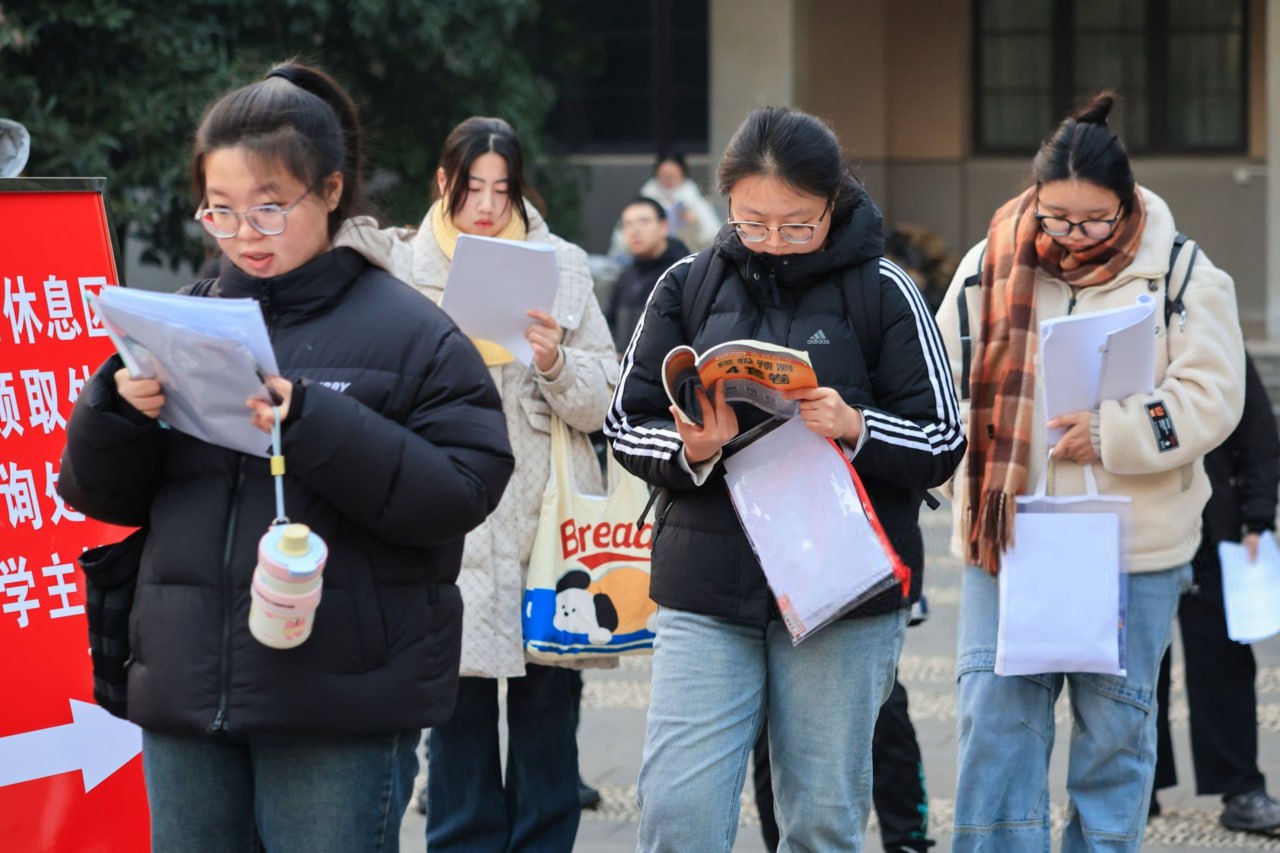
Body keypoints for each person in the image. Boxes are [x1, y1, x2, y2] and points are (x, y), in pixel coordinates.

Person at [56, 61, 514, 852]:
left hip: (336, 701)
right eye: (220, 211)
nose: (243, 236)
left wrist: (312, 421)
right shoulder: (186, 318)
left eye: (270, 209)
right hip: (190, 690)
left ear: (331, 191)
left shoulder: (412, 332)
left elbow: (462, 490)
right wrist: (115, 411)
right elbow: (99, 493)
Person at [606, 105, 966, 851]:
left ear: (833, 202)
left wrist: (855, 425)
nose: (773, 241)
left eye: (797, 224)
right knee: (678, 811)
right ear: (724, 202)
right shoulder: (686, 284)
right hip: (707, 582)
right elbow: (624, 423)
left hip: (841, 589)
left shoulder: (886, 289)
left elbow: (941, 437)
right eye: (752, 221)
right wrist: (694, 449)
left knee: (822, 819)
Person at [935, 91, 1245, 851]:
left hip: (1131, 546)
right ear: (1034, 201)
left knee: (1115, 734)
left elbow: (1213, 397)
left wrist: (1116, 431)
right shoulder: (988, 265)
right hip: (1006, 540)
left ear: (1127, 202)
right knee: (994, 726)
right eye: (1056, 218)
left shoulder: (1181, 273)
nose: (1072, 237)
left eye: (1092, 220)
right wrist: (965, 488)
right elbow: (940, 390)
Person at [381, 116, 619, 853]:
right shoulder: (401, 267)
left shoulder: (564, 265)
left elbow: (606, 394)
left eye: (501, 188)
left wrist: (553, 363)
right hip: (451, 515)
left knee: (550, 718)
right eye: (469, 186)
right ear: (443, 184)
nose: (485, 205)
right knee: (455, 724)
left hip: (548, 519)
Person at [1153, 352, 1280, 833]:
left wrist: (1258, 515)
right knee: (1136, 664)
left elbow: (1257, 431)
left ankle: (1241, 786)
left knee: (1224, 661)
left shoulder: (1213, 325)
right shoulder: (1119, 319)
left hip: (1213, 527)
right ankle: (1138, 785)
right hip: (1137, 525)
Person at [605, 196, 689, 351]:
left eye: (644, 222)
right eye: (627, 224)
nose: (634, 231)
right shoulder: (625, 277)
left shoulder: (684, 272)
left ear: (664, 226)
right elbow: (609, 325)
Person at [608, 151, 720, 258]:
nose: (668, 180)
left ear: (683, 174)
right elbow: (622, 239)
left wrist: (696, 223)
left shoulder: (693, 197)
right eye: (664, 175)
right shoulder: (647, 195)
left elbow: (712, 235)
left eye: (672, 176)